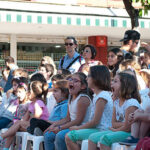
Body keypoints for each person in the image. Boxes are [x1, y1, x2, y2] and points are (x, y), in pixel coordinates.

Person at [65, 65, 113, 150]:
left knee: (69, 136)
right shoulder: (98, 95)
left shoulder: (102, 97)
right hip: (97, 129)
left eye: (89, 76)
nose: (86, 79)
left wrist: (78, 128)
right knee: (70, 135)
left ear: (96, 78)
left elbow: (95, 121)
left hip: (102, 130)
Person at [89, 72, 141, 150]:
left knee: (105, 139)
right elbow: (113, 123)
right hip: (121, 130)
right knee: (92, 137)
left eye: (115, 81)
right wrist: (119, 126)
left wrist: (116, 129)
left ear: (125, 85)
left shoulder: (131, 103)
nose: (111, 83)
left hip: (130, 134)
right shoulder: (116, 102)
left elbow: (128, 128)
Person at [43, 72, 92, 150]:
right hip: (72, 126)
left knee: (60, 135)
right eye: (71, 79)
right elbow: (67, 118)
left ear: (83, 86)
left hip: (81, 127)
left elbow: (78, 121)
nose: (71, 82)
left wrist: (60, 128)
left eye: (75, 81)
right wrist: (54, 125)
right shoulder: (71, 97)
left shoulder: (83, 98)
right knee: (48, 134)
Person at [0, 81, 49, 150]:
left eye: (29, 91)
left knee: (17, 125)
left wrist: (21, 123)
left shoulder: (38, 103)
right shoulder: (32, 104)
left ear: (34, 93)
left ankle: (2, 136)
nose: (27, 93)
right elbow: (24, 119)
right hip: (30, 126)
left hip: (38, 128)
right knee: (14, 128)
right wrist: (18, 124)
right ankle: (6, 148)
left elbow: (36, 119)